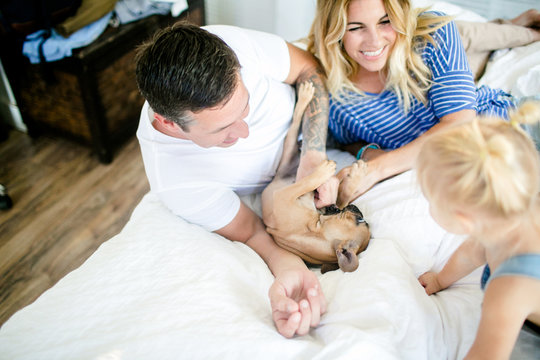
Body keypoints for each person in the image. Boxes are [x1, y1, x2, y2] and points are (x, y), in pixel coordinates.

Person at [134, 22, 338, 338]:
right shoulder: (174, 179)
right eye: (222, 131)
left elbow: (309, 69)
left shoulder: (230, 44)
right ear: (170, 125)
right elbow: (252, 232)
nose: (244, 132)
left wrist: (313, 150)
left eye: (245, 106)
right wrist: (291, 271)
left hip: (322, 125)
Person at [306, 0, 538, 207]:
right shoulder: (333, 97)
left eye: (385, 21)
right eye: (356, 27)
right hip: (477, 168)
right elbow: (349, 141)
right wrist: (368, 153)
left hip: (514, 125)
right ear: (334, 30)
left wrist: (377, 169)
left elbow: (460, 124)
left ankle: (519, 27)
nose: (374, 40)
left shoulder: (434, 34)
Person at [416, 102, 540, 359]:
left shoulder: (509, 288)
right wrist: (440, 279)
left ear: (464, 221)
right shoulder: (508, 213)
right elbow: (471, 253)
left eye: (430, 199)